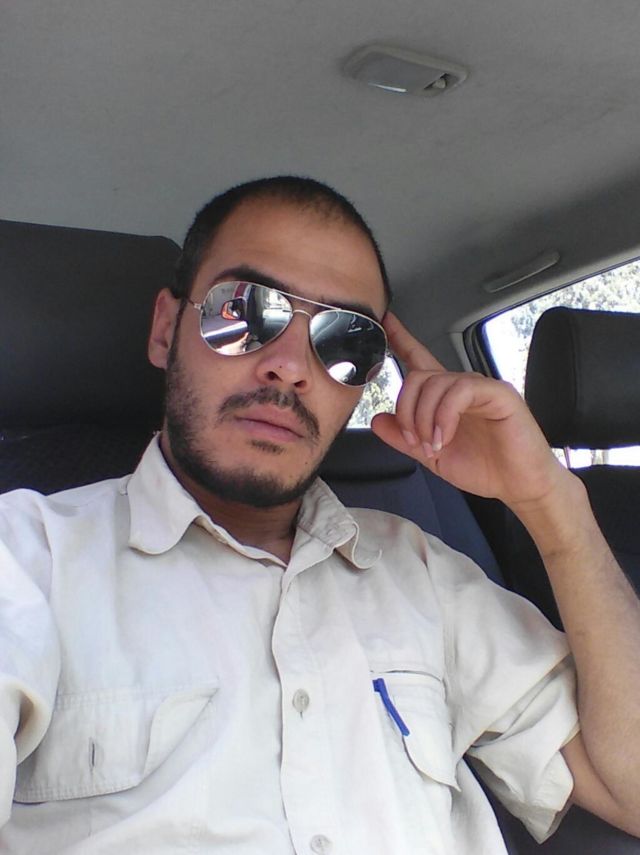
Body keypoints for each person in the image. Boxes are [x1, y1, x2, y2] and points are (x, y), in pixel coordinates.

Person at [1, 176, 639, 854]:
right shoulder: (28, 560)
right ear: (166, 329)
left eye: (345, 341)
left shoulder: (423, 574)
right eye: (244, 311)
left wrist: (552, 504)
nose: (290, 368)